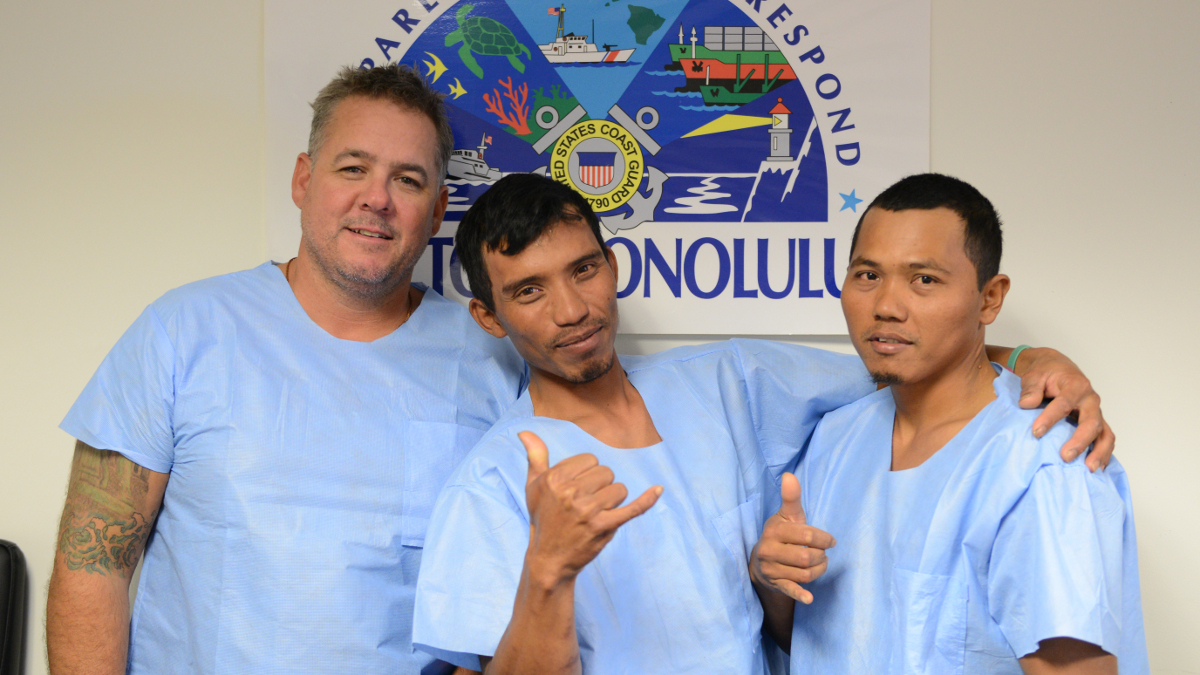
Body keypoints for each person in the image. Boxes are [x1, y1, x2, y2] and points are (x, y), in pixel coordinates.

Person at [410, 174, 1116, 675]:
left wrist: (1028, 355)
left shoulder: (726, 381)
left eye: (583, 269)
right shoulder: (493, 482)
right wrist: (549, 570)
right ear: (488, 316)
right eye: (528, 291)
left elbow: (906, 357)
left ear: (612, 265)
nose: (571, 309)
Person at [46, 64, 525, 675]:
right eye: (352, 168)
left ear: (436, 212)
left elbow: (504, 591)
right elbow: (93, 566)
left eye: (407, 180)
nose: (376, 198)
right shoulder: (183, 332)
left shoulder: (492, 364)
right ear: (303, 179)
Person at [753, 173, 1148, 674]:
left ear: (989, 298)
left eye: (924, 280)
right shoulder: (834, 440)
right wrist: (773, 580)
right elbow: (813, 645)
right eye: (868, 275)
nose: (886, 307)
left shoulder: (1042, 461)